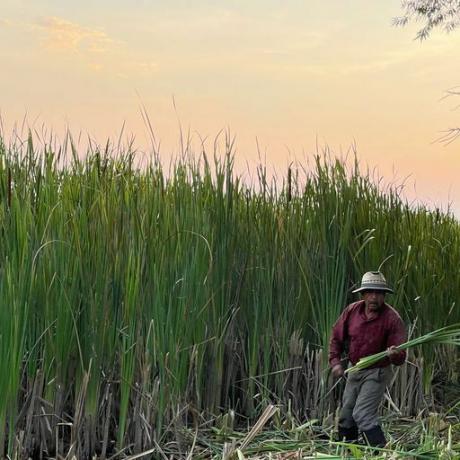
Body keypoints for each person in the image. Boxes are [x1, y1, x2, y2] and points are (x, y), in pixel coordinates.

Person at [329, 271, 407, 447]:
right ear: (363, 294)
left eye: (379, 293)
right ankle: (347, 450)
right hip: (354, 368)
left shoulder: (392, 319)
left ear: (384, 295)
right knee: (346, 414)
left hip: (377, 372)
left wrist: (395, 354)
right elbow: (336, 337)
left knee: (363, 414)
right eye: (370, 292)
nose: (374, 297)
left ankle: (381, 453)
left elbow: (401, 357)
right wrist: (335, 363)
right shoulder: (351, 311)